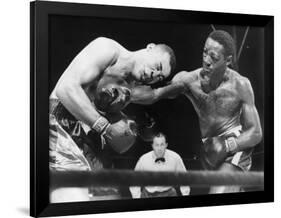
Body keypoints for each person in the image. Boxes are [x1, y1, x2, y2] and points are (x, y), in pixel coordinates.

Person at [131, 30, 263, 194]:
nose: (206, 60)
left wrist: (228, 145)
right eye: (205, 52)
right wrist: (127, 93)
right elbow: (154, 95)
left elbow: (256, 132)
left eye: (213, 57)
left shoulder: (240, 85)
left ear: (228, 60)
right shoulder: (189, 81)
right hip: (207, 149)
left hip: (235, 145)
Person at [49, 37, 176, 202]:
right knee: (73, 200)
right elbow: (65, 89)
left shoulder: (132, 89)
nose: (153, 75)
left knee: (109, 198)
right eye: (158, 66)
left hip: (91, 140)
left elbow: (157, 95)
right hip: (61, 123)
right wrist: (105, 127)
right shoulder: (108, 49)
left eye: (159, 77)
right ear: (150, 47)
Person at [130, 133, 190, 198]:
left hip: (169, 193)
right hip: (148, 194)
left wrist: (186, 195)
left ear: (166, 145)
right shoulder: (144, 159)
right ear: (152, 146)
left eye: (162, 144)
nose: (159, 148)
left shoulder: (175, 157)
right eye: (156, 145)